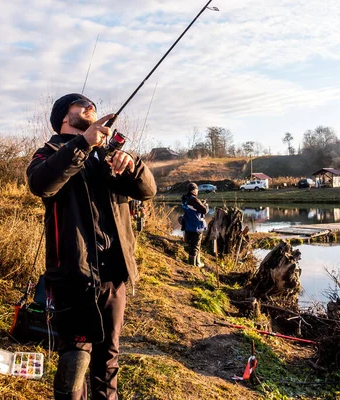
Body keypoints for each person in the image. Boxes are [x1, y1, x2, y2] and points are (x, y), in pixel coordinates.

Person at [27, 93, 156, 400]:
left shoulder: (109, 156)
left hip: (114, 275)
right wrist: (83, 143)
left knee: (108, 358)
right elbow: (41, 184)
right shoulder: (50, 152)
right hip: (73, 276)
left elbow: (148, 190)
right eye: (81, 106)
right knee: (75, 359)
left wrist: (133, 165)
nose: (90, 109)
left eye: (93, 107)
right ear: (63, 117)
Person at [181, 182, 208, 267]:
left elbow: (192, 209)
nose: (197, 191)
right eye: (197, 189)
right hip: (196, 226)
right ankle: (192, 264)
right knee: (196, 245)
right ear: (193, 190)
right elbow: (205, 211)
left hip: (188, 225)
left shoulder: (185, 199)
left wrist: (200, 204)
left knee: (193, 245)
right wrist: (206, 205)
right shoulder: (194, 200)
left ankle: (197, 263)